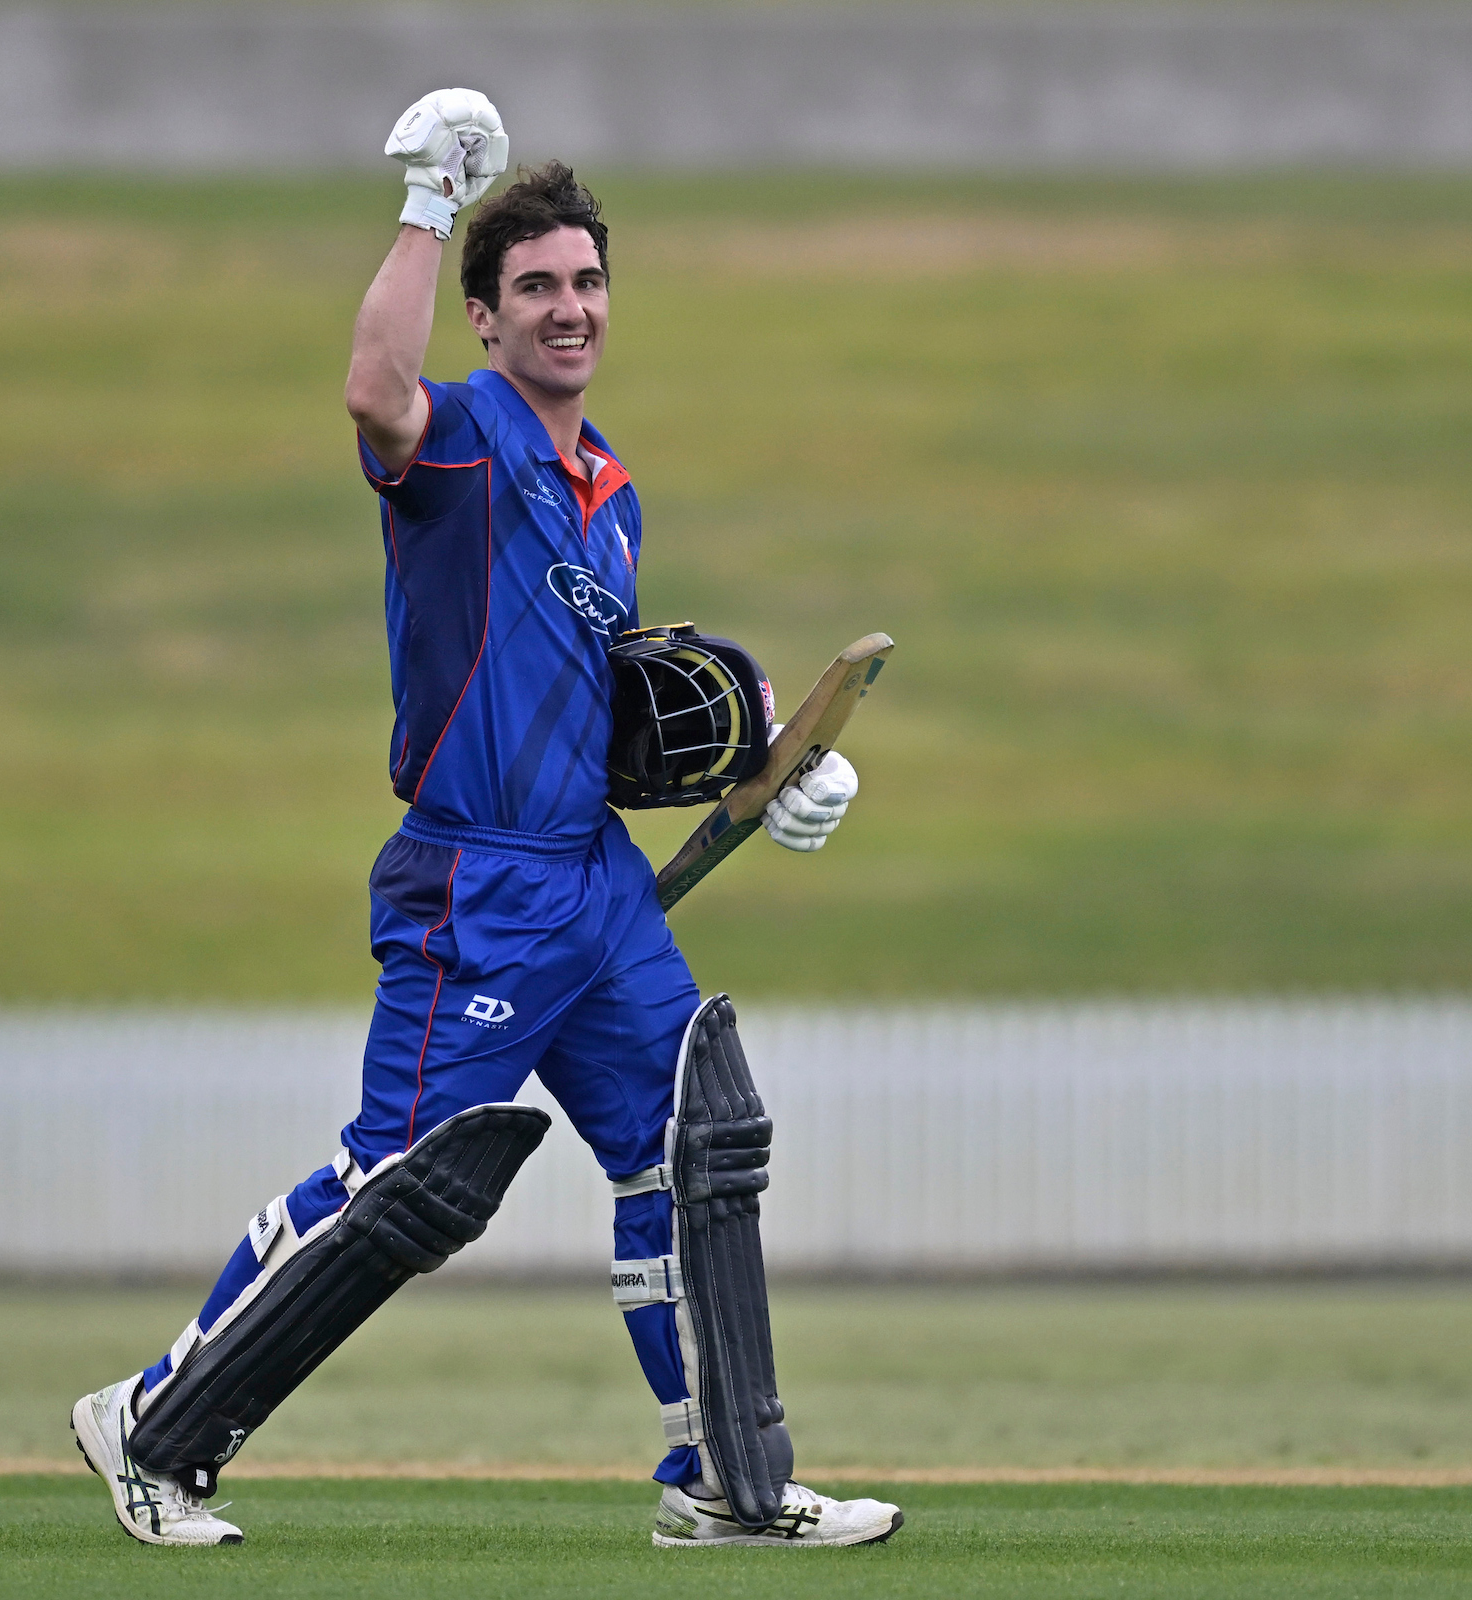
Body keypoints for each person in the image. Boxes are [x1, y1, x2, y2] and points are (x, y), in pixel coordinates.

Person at [69, 87, 897, 1551]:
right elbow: (370, 390)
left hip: (595, 882)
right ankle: (154, 1428)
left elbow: (612, 692)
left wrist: (773, 753)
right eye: (536, 289)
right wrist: (429, 200)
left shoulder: (609, 488)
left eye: (587, 282)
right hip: (476, 884)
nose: (570, 308)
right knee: (403, 1188)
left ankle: (722, 1479)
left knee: (693, 1150)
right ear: (486, 315)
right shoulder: (455, 441)